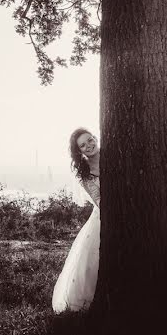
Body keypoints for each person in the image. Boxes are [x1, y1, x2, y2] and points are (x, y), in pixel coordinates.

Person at [52, 127, 101, 313]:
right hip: (102, 216)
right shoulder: (85, 174)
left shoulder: (112, 155)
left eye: (90, 140)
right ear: (79, 151)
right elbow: (98, 201)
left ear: (95, 138)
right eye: (83, 145)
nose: (89, 145)